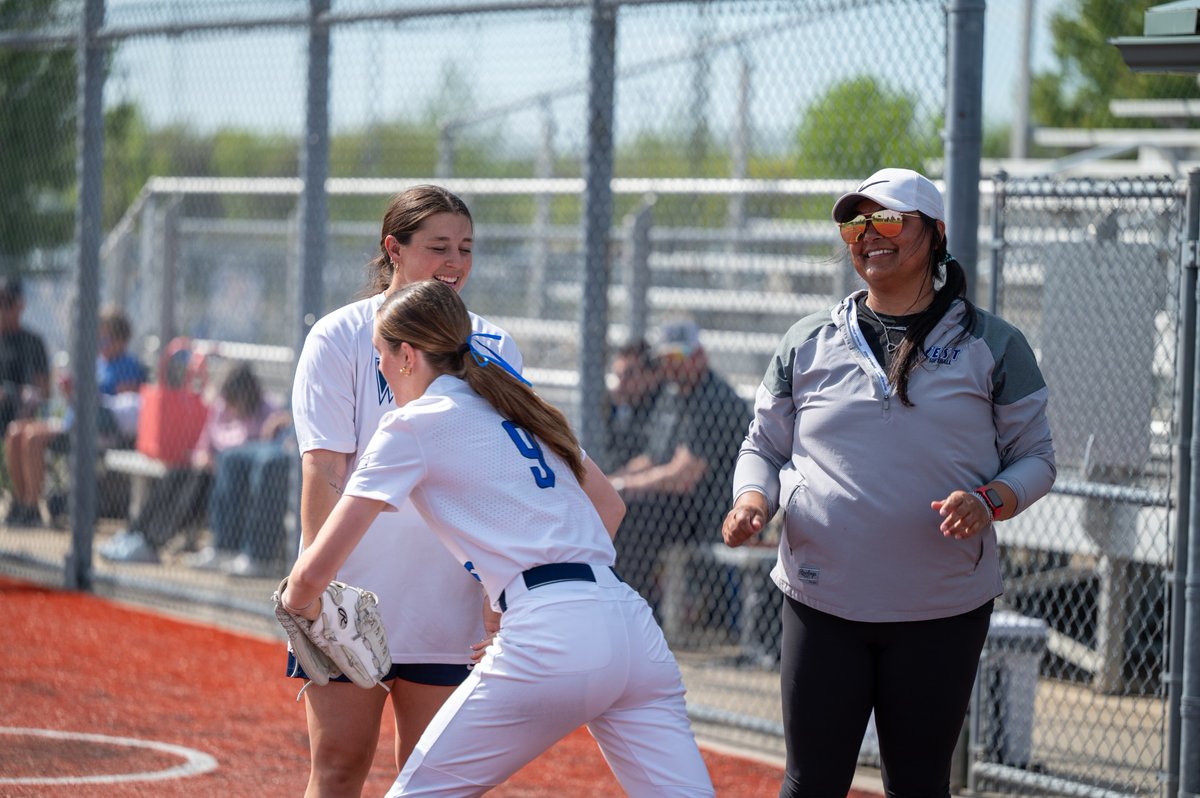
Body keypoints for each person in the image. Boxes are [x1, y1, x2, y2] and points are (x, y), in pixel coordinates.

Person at [281, 279, 716, 797]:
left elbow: (313, 570)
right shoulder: (519, 405)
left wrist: (298, 606)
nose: (378, 366)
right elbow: (610, 506)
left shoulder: (412, 423)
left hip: (551, 634)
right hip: (630, 625)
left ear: (406, 355)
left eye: (381, 354)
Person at [721, 167, 1057, 798]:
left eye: (888, 219)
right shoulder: (806, 341)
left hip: (941, 607)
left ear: (934, 234)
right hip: (822, 601)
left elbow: (1036, 458)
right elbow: (761, 445)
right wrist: (752, 499)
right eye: (855, 222)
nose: (868, 235)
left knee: (920, 784)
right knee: (811, 782)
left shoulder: (996, 344)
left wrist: (990, 501)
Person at [289, 185, 523, 795]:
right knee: (338, 766)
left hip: (449, 596)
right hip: (354, 589)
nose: (455, 263)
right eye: (438, 247)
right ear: (394, 248)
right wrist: (323, 594)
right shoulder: (339, 336)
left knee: (431, 779)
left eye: (466, 248)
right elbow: (324, 468)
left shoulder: (494, 344)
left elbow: (498, 478)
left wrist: (494, 593)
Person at [607, 319, 749, 622]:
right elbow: (652, 458)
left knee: (632, 511)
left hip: (708, 510)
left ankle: (637, 616)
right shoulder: (671, 395)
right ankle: (621, 609)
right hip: (674, 505)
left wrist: (624, 487)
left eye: (678, 358)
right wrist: (611, 482)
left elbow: (683, 475)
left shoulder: (715, 398)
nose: (670, 367)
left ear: (699, 356)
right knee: (614, 503)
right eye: (664, 360)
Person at [99, 361, 285, 566]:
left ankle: (151, 543)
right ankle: (136, 534)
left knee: (194, 486)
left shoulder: (267, 410)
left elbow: (264, 453)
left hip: (234, 484)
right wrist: (203, 458)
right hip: (210, 473)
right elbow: (203, 447)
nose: (231, 405)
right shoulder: (221, 408)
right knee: (177, 475)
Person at [5, 307, 145, 526]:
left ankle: (32, 508)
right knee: (15, 431)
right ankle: (21, 503)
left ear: (119, 338)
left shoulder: (129, 365)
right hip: (74, 422)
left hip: (98, 432)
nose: (101, 339)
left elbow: (122, 412)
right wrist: (72, 393)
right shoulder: (99, 363)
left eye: (105, 335)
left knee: (32, 438)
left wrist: (85, 397)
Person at [0, 276, 50, 526]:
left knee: (17, 431)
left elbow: (44, 390)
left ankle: (25, 505)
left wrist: (20, 393)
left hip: (19, 412)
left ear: (20, 305)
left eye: (5, 302)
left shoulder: (32, 341)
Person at [599, 339, 662, 473]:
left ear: (651, 375)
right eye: (618, 375)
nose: (620, 383)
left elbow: (654, 458)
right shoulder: (613, 405)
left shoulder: (664, 407)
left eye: (629, 374)